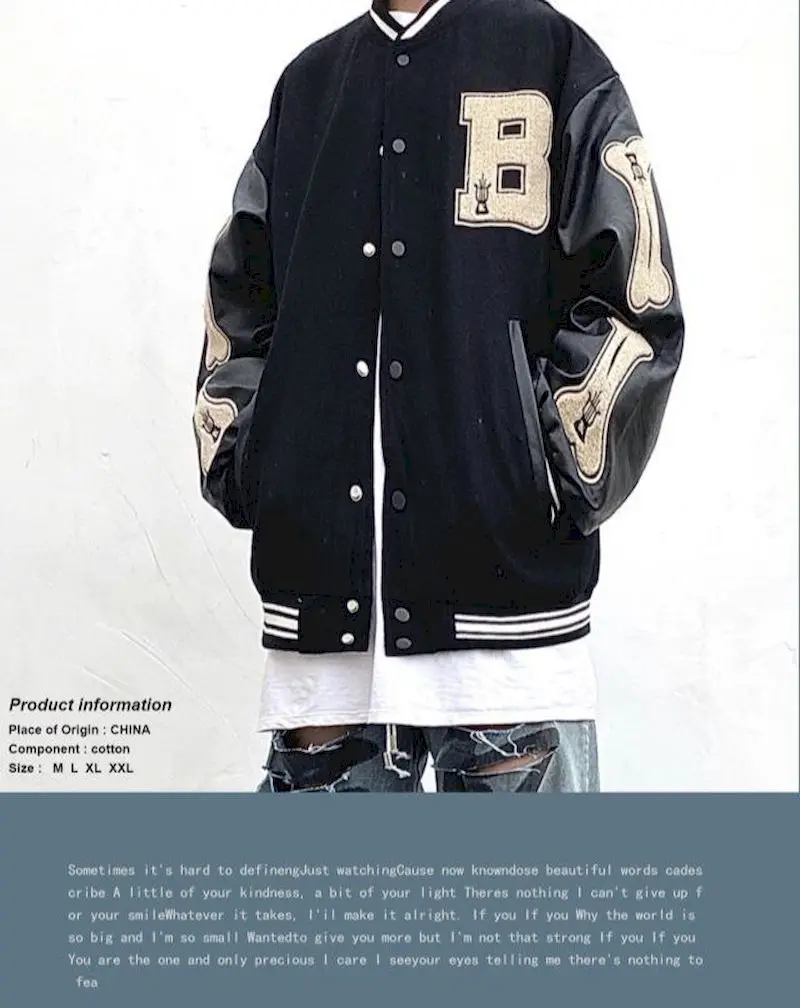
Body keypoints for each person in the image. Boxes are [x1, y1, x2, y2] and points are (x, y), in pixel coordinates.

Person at [193, 0, 684, 793]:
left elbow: (635, 297)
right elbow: (241, 300)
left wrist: (547, 474)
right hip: (325, 622)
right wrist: (259, 466)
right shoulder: (309, 85)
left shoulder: (552, 54)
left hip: (508, 623)